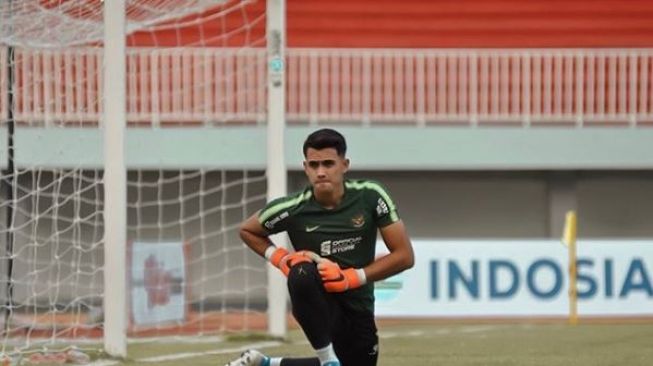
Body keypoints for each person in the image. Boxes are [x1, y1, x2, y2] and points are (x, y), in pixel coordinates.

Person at [226, 128, 414, 366]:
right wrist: (281, 258)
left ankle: (262, 364)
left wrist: (350, 278)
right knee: (301, 272)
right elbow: (247, 230)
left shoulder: (371, 196)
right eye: (314, 165)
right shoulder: (294, 207)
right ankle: (327, 359)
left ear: (344, 165)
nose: (321, 172)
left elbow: (405, 256)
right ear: (306, 167)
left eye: (328, 163)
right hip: (320, 307)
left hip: (358, 306)